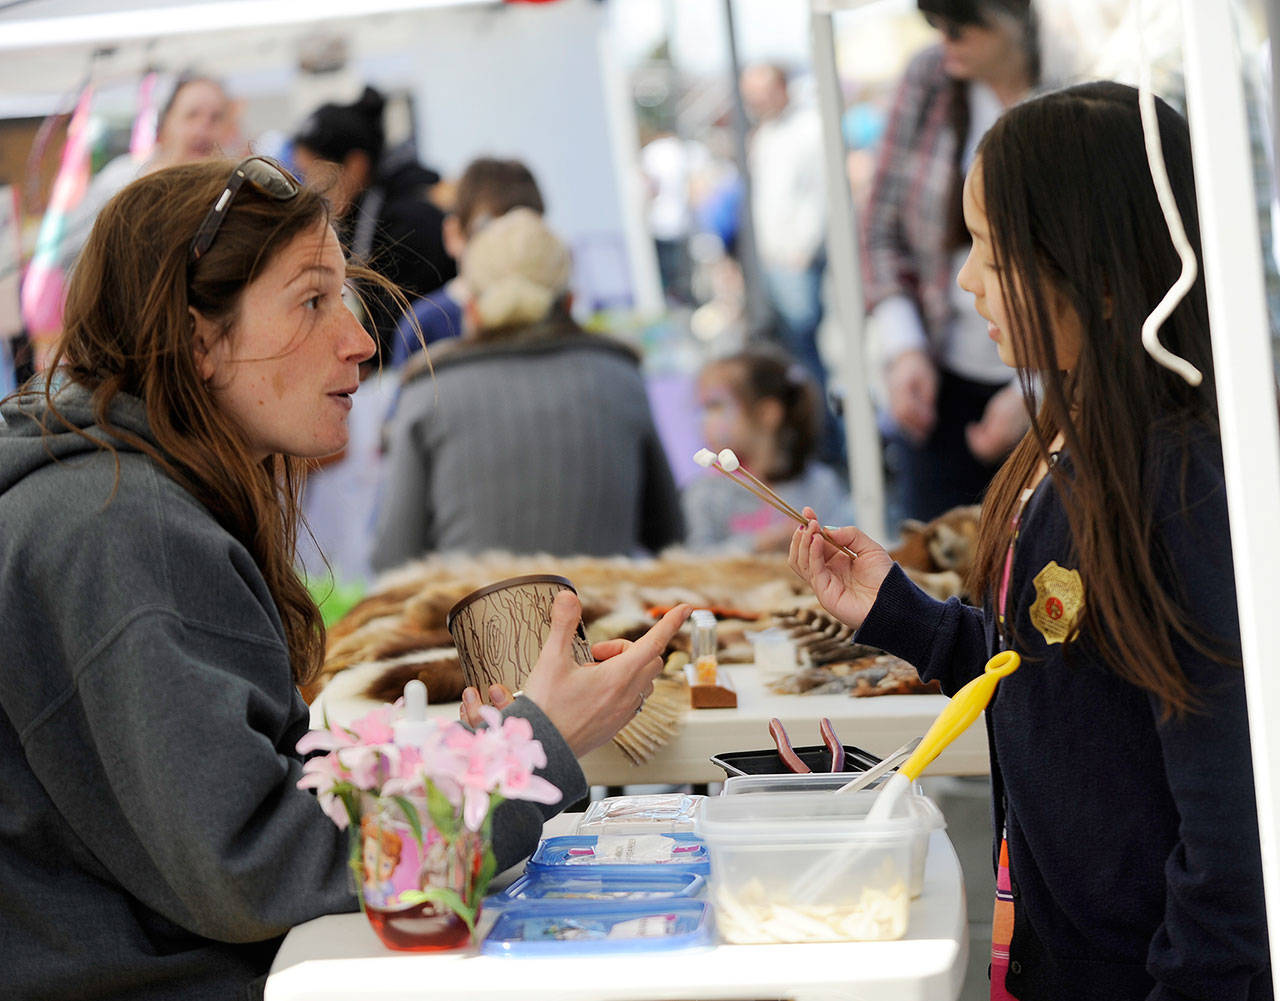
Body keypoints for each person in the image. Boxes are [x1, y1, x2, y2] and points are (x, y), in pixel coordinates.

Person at [0, 157, 691, 1000]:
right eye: (311, 300)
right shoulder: (122, 527)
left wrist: (470, 752)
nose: (360, 339)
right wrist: (529, 750)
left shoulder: (117, 498)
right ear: (199, 340)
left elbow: (253, 800)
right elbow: (254, 863)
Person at [789, 82, 1271, 1001]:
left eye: (992, 249)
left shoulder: (1177, 482)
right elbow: (1059, 672)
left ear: (1092, 268)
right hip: (1062, 952)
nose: (966, 279)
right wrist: (907, 616)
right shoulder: (1071, 439)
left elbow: (1232, 815)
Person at [370, 208, 684, 569]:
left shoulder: (428, 391)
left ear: (471, 308)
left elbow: (393, 556)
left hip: (471, 623)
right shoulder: (621, 377)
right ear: (569, 301)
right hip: (604, 620)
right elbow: (669, 535)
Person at [862, 0, 1041, 524]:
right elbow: (879, 226)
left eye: (959, 28)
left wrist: (1038, 387)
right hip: (943, 376)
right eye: (936, 26)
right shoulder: (930, 80)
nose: (945, 41)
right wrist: (905, 348)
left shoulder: (1073, 94)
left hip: (1047, 382)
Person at [292, 86, 454, 361]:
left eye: (313, 173)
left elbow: (389, 334)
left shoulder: (409, 221)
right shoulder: (359, 216)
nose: (310, 187)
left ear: (355, 165)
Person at [683, 346, 853, 553]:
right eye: (702, 409)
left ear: (767, 413)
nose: (703, 421)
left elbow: (843, 549)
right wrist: (758, 544)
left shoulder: (820, 485)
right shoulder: (705, 493)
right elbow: (695, 562)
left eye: (715, 406)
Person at [390, 156, 546, 365]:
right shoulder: (424, 325)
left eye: (525, 235)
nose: (509, 250)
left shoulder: (551, 310)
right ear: (453, 235)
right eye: (488, 233)